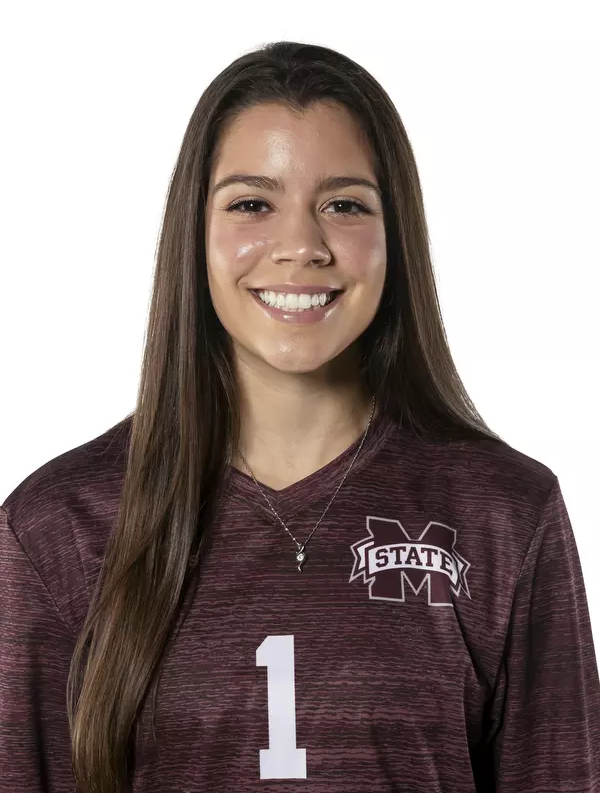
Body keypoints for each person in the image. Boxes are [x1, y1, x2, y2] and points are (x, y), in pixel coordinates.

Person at [1, 40, 598, 793]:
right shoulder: (59, 524)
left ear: (395, 235)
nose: (300, 247)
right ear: (195, 231)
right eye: (252, 203)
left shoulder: (504, 512)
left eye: (344, 205)